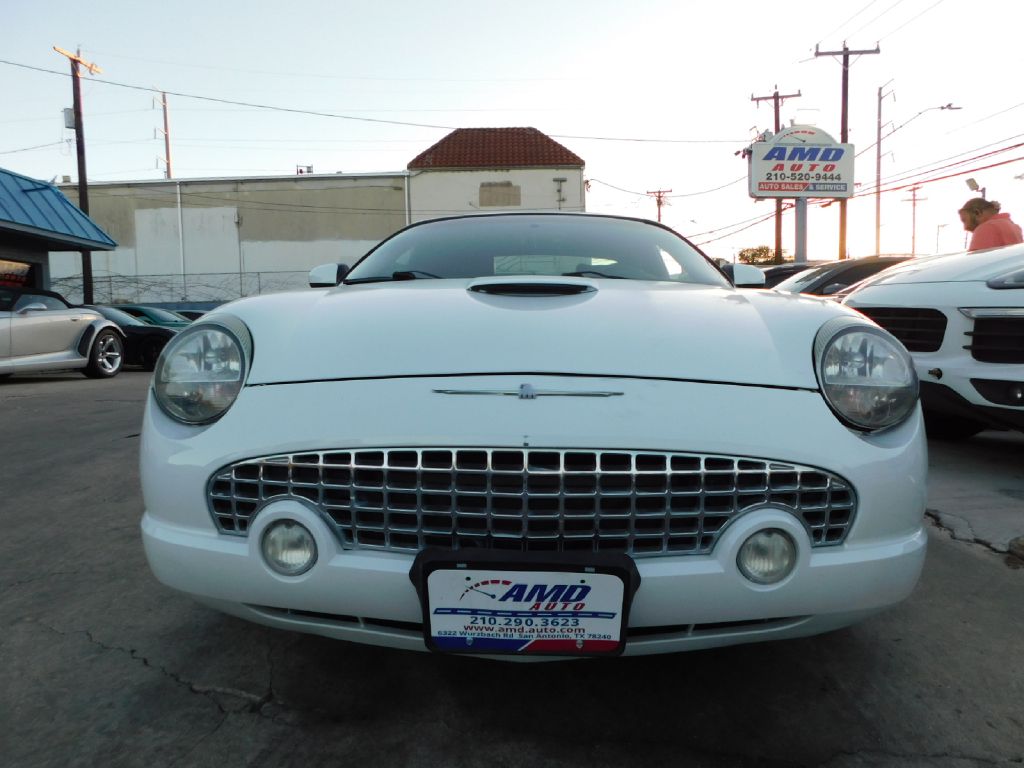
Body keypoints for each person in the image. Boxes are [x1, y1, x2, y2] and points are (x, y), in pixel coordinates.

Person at [958, 197, 1023, 251]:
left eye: (964, 221)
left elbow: (974, 262)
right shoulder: (1013, 226)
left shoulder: (986, 228)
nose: (965, 227)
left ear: (977, 213)